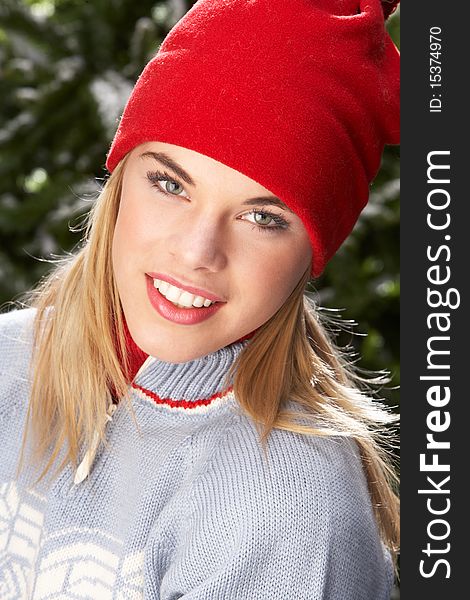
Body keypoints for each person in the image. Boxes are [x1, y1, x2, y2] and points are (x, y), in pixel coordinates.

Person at [0, 0, 400, 597]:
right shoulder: (9, 358)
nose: (197, 251)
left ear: (312, 253)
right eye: (170, 183)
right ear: (119, 182)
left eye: (263, 218)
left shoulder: (287, 509)